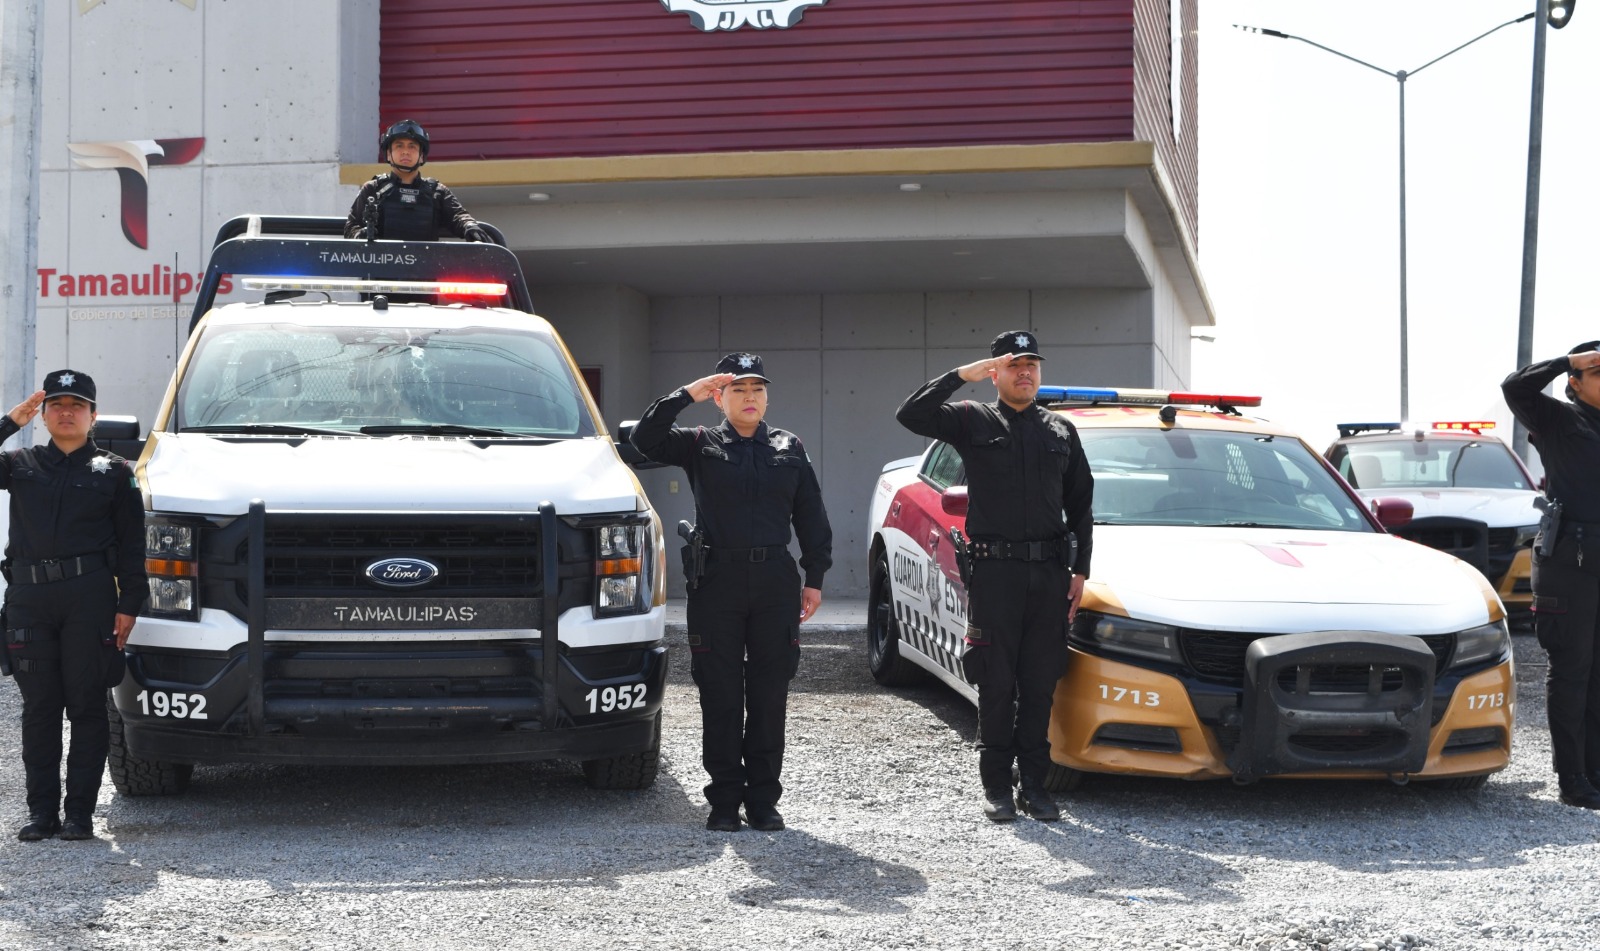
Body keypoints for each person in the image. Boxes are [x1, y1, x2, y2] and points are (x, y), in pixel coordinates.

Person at [896, 330, 1093, 823]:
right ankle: (997, 787)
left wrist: (1081, 570)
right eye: (1013, 365)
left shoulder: (1061, 431)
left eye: (1031, 365)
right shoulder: (972, 419)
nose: (1024, 373)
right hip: (994, 575)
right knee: (996, 681)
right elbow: (911, 415)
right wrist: (960, 376)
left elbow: (1081, 505)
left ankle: (1036, 787)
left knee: (1040, 682)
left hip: (1049, 575)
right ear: (995, 373)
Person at [630, 353, 832, 832]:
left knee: (769, 694)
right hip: (716, 582)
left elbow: (811, 513)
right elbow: (643, 441)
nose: (750, 397)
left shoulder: (788, 446)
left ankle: (763, 800)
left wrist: (815, 576)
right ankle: (723, 801)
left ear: (767, 398)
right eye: (738, 389)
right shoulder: (700, 443)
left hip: (774, 582)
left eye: (757, 389)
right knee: (720, 693)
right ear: (719, 399)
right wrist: (686, 394)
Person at [1, 370, 148, 841]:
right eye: (57, 405)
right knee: (39, 708)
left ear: (93, 416)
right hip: (30, 600)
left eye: (77, 405)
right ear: (42, 415)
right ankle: (41, 813)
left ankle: (79, 814)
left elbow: (133, 545)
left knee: (86, 706)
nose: (67, 412)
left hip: (90, 598)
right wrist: (9, 422)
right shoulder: (19, 463)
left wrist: (131, 604)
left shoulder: (115, 471)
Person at [1502, 341, 1600, 809]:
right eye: (1597, 371)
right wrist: (1565, 361)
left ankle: (1596, 769)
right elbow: (1514, 388)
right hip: (1569, 562)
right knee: (1573, 669)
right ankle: (1573, 777)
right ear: (1574, 384)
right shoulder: (1558, 419)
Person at [343, 119, 490, 242]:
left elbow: (458, 216)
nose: (405, 151)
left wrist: (469, 226)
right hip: (382, 267)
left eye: (412, 146)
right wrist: (359, 235)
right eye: (399, 146)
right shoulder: (373, 189)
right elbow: (351, 227)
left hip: (426, 267)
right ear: (388, 154)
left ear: (421, 156)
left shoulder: (437, 192)